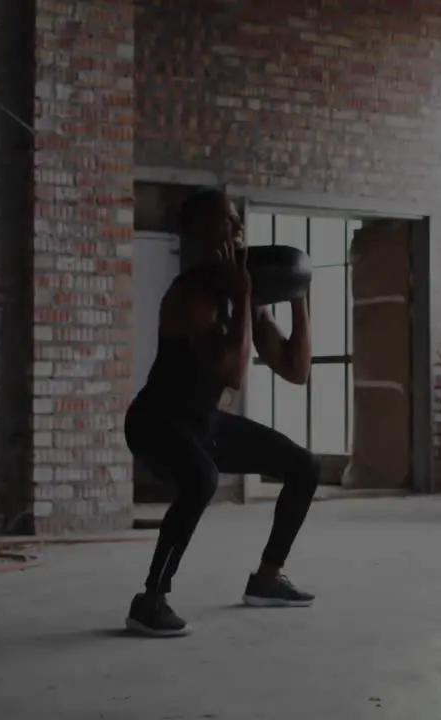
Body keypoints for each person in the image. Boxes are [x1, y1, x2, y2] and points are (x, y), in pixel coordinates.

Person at [124, 188, 320, 637]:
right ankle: (150, 599)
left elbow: (296, 370)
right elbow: (233, 373)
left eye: (237, 221)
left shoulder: (242, 297)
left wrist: (297, 296)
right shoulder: (190, 295)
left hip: (202, 423)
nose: (237, 230)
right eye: (224, 222)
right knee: (202, 479)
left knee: (304, 465)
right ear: (196, 235)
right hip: (157, 421)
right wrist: (246, 295)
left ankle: (267, 578)